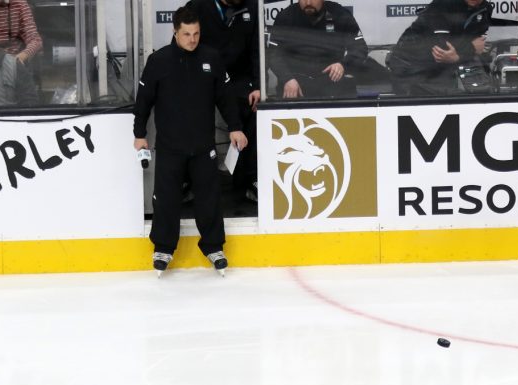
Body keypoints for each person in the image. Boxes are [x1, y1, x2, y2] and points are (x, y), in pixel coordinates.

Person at [133, 4, 247, 276]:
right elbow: (143, 101)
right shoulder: (158, 61)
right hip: (170, 146)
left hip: (203, 146)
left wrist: (235, 127)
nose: (192, 39)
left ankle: (213, 246)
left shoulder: (211, 58)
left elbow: (225, 96)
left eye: (196, 33)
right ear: (175, 32)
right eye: (186, 34)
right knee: (166, 199)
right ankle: (163, 247)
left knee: (209, 197)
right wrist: (139, 134)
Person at [188, 0, 259, 202]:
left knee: (254, 109)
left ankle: (249, 180)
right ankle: (192, 181)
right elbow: (182, 46)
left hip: (239, 78)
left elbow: (257, 51)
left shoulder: (252, 6)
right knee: (190, 114)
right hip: (203, 75)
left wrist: (257, 85)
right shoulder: (197, 6)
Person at [267, 0, 381, 99]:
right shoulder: (286, 16)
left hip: (331, 83)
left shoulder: (339, 14)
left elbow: (360, 48)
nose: (308, 3)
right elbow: (272, 54)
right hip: (295, 85)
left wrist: (343, 65)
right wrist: (287, 78)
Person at [387, 0, 492, 96]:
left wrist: (461, 53)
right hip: (410, 70)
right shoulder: (442, 5)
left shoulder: (484, 8)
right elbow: (442, 51)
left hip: (439, 70)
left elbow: (478, 44)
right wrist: (470, 48)